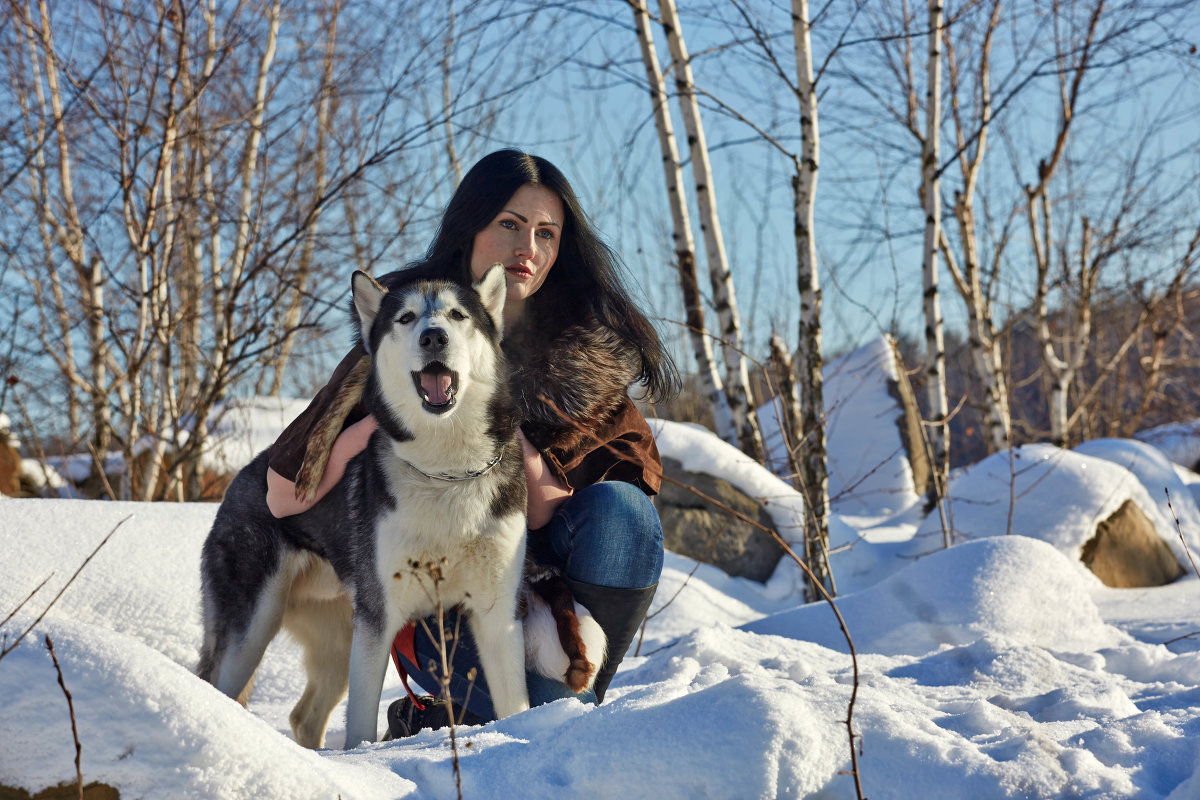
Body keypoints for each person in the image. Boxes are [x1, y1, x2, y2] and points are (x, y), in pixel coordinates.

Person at [263, 150, 680, 736]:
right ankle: (540, 732)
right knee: (533, 718)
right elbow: (283, 495)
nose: (526, 248)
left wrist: (492, 419)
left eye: (545, 233)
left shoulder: (585, 353)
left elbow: (567, 515)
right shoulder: (405, 331)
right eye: (509, 224)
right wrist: (381, 424)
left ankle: (545, 721)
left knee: (624, 512)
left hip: (543, 606)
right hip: (434, 607)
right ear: (471, 229)